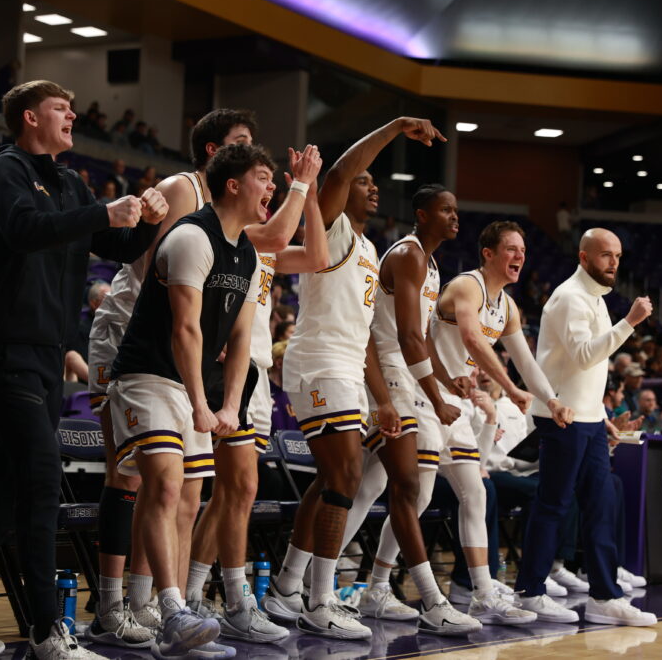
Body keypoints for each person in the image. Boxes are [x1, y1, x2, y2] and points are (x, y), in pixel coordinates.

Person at [0, 79, 166, 660]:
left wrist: (148, 221)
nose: (72, 116)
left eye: (72, 108)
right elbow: (25, 230)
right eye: (60, 108)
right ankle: (48, 630)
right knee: (44, 479)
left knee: (6, 492)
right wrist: (103, 211)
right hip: (6, 352)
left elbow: (120, 247)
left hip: (48, 356)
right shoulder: (6, 169)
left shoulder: (71, 182)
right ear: (29, 117)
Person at [262, 117, 445, 640]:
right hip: (319, 362)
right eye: (366, 182)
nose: (373, 187)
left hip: (348, 367)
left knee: (330, 480)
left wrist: (382, 399)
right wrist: (397, 127)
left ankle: (287, 587)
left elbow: (366, 337)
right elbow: (342, 171)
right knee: (345, 477)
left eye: (374, 183)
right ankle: (319, 601)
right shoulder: (332, 225)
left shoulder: (366, 249)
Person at [84, 109, 255, 650]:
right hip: (131, 334)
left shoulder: (235, 235)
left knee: (180, 490)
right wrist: (304, 186)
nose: (253, 154)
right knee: (131, 478)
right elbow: (159, 277)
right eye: (242, 145)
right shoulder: (184, 192)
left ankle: (154, 606)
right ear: (216, 155)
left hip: (179, 354)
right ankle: (114, 607)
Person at [185, 144, 326, 646]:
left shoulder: (256, 243)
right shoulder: (233, 234)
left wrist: (310, 196)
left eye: (272, 179)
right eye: (262, 178)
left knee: (232, 493)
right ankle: (230, 599)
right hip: (225, 369)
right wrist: (300, 184)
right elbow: (281, 233)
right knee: (232, 488)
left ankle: (194, 595)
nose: (269, 186)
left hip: (256, 370)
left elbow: (316, 256)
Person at [332, 184, 483, 635]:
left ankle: (328, 582)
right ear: (422, 215)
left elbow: (424, 338)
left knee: (370, 487)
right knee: (410, 487)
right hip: (389, 376)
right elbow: (406, 337)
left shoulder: (430, 263)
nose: (454, 216)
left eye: (456, 209)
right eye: (445, 209)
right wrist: (437, 398)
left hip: (405, 376)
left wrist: (446, 380)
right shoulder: (408, 255)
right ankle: (428, 598)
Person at [411, 220, 563, 626]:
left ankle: (481, 593)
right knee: (417, 499)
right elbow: (473, 338)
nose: (520, 256)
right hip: (423, 392)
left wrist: (550, 399)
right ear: (489, 254)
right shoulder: (467, 286)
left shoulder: (507, 307)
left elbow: (526, 360)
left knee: (476, 494)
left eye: (523, 250)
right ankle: (375, 584)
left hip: (456, 403)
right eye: (511, 249)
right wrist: (511, 389)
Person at [513, 227, 657, 626]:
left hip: (588, 419)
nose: (614, 263)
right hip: (562, 417)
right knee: (553, 503)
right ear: (584, 257)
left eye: (618, 256)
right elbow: (582, 356)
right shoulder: (569, 297)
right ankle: (530, 592)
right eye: (606, 255)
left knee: (601, 504)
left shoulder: (595, 298)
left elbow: (588, 372)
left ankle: (603, 597)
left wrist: (601, 415)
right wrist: (629, 322)